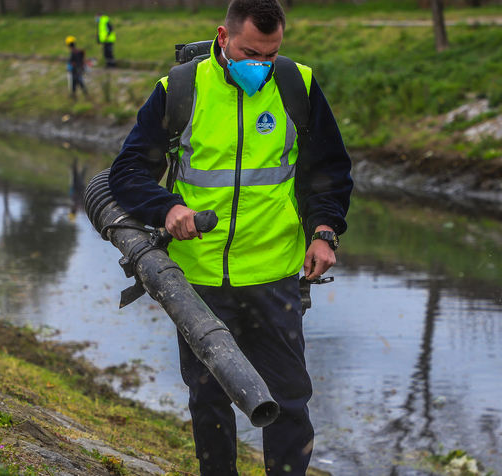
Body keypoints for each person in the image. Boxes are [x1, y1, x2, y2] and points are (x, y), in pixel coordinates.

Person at [108, 0, 352, 474]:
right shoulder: (179, 90)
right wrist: (168, 207)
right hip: (199, 284)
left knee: (289, 402)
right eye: (248, 52)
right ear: (223, 37)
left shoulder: (295, 84)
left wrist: (324, 232)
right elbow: (128, 173)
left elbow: (328, 170)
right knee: (210, 402)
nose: (259, 65)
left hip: (274, 277)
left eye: (271, 53)